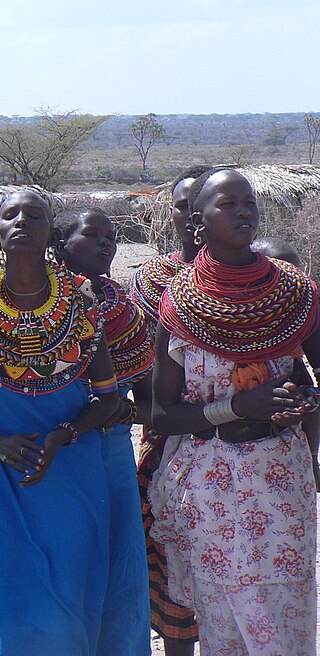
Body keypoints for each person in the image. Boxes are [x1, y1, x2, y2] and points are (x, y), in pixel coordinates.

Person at [0, 189, 122, 656]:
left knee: (71, 598)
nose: (22, 221)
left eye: (34, 215)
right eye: (10, 215)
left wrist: (63, 436)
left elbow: (109, 398)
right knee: (16, 605)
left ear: (50, 232)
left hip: (69, 474)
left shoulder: (80, 307)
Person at [150, 167, 319, 655]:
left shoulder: (295, 292)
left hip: (281, 482)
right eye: (228, 203)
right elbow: (162, 416)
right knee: (226, 625)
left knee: (286, 619)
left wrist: (303, 401)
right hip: (210, 488)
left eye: (249, 202)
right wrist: (236, 406)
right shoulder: (179, 304)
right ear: (198, 223)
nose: (244, 210)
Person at [55, 207, 152, 656]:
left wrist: (125, 411)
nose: (104, 244)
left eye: (110, 236)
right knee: (65, 560)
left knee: (117, 563)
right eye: (91, 234)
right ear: (60, 243)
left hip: (110, 452)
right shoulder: (37, 307)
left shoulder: (126, 312)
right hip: (55, 449)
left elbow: (150, 400)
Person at [129, 166, 210, 656]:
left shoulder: (259, 283)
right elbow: (135, 373)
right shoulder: (148, 284)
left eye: (201, 204)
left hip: (247, 447)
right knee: (170, 575)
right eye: (182, 205)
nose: (192, 215)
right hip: (166, 447)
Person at [251, 236, 320, 490]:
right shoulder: (235, 319)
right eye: (278, 271)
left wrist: (310, 400)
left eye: (293, 273)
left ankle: (312, 457)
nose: (286, 281)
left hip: (292, 382)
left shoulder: (303, 307)